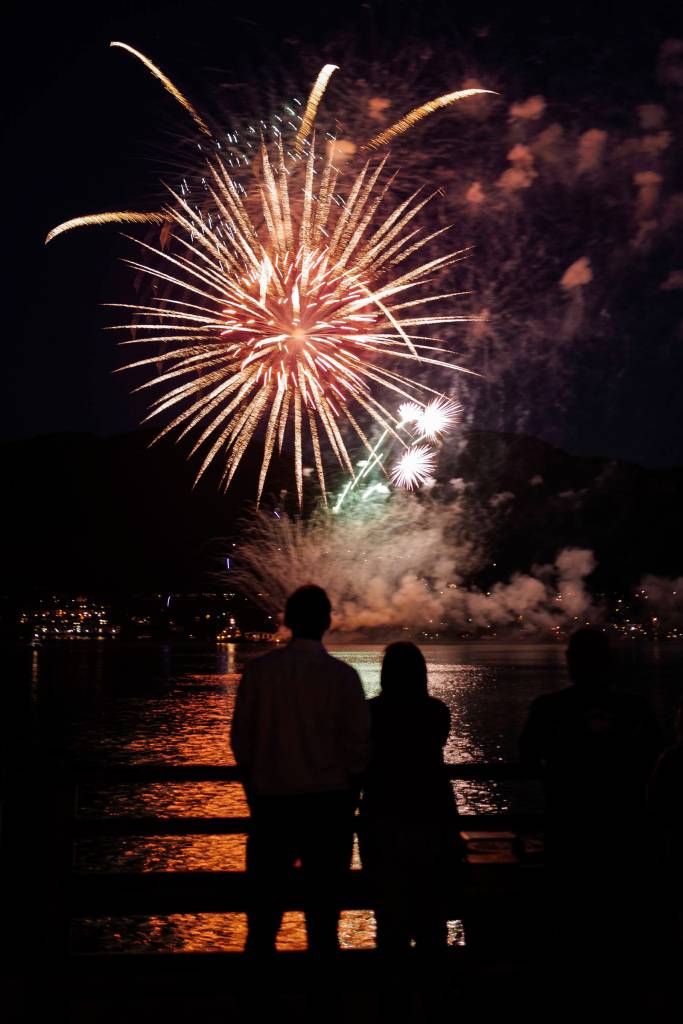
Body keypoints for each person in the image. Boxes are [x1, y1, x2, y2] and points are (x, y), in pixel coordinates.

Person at [231, 584, 371, 954]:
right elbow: (360, 750)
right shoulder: (343, 678)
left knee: (262, 924)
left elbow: (241, 743)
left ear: (288, 621)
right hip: (328, 812)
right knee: (324, 925)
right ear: (326, 622)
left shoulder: (259, 673)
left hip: (271, 809)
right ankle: (322, 1005)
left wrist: (255, 795)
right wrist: (347, 801)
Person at [359, 641, 462, 952]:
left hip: (382, 818)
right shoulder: (436, 711)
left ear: (385, 673)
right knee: (431, 916)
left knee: (389, 919)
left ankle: (394, 993)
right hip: (431, 817)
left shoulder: (368, 713)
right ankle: (434, 991)